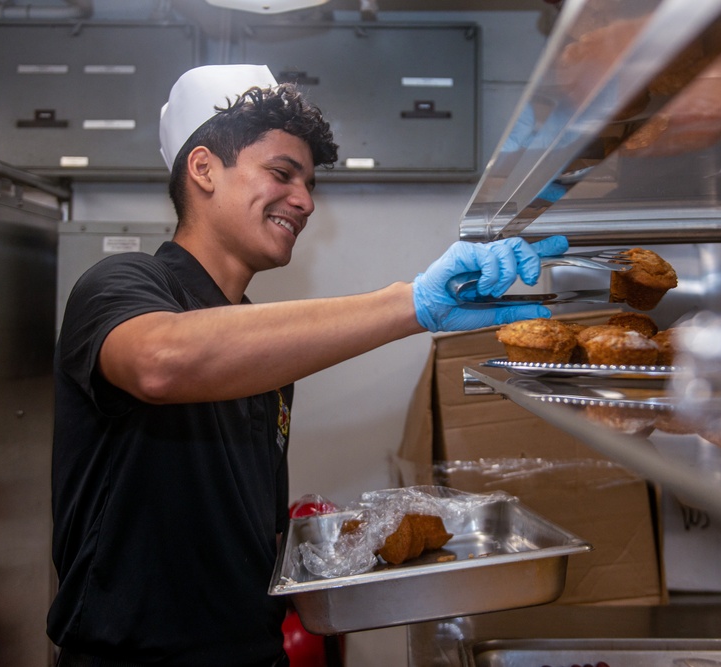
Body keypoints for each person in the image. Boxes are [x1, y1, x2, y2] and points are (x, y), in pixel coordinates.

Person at [47, 63, 568, 667]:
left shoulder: (265, 348)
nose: (305, 201)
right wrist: (411, 304)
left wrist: (368, 551)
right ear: (203, 168)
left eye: (310, 183)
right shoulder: (120, 284)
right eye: (282, 173)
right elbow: (162, 363)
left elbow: (259, 537)